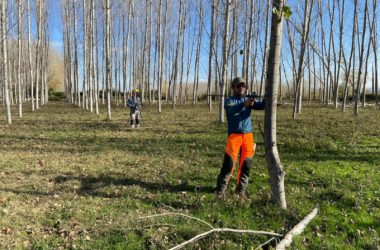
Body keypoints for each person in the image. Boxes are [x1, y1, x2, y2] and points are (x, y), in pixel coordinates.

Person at [215, 77, 265, 197]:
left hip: (248, 136)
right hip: (234, 137)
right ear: (233, 88)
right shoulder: (229, 100)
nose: (241, 88)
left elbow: (260, 106)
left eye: (243, 86)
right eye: (239, 86)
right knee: (229, 165)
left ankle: (240, 191)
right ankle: (220, 191)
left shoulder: (247, 100)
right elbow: (232, 111)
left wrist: (268, 100)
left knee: (246, 165)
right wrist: (245, 104)